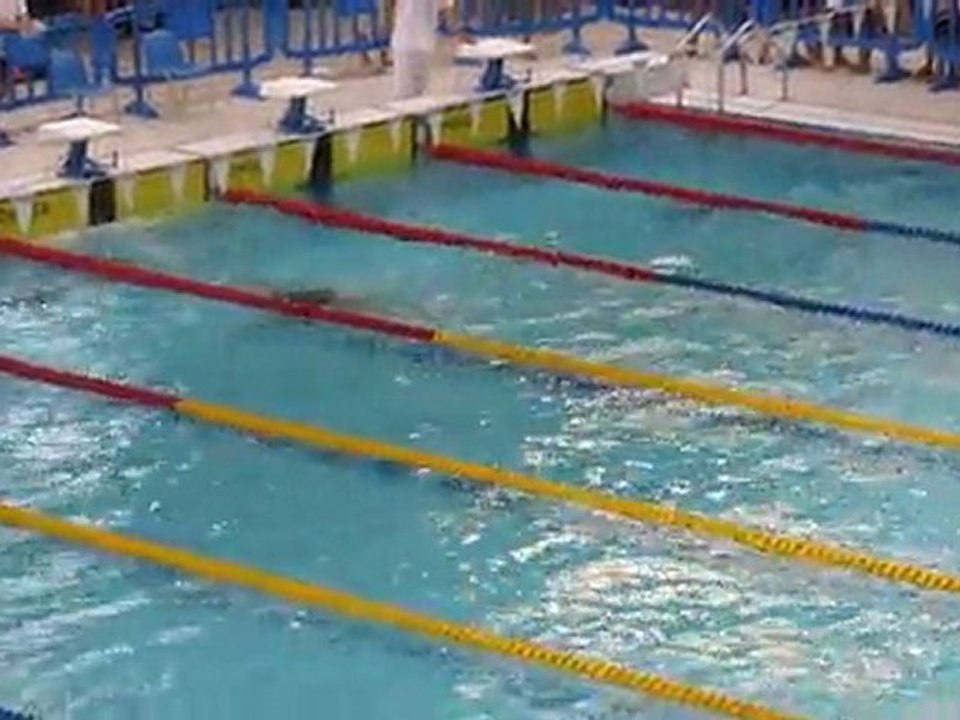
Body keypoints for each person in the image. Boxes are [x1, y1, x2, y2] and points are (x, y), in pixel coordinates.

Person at [391, 0, 442, 99]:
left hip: (406, 43)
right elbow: (444, 6)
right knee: (419, 96)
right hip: (426, 43)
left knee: (404, 97)